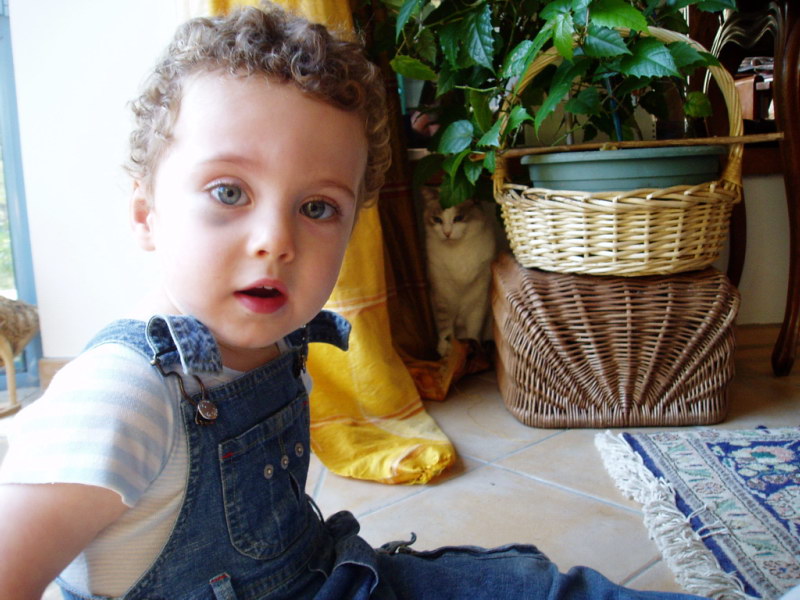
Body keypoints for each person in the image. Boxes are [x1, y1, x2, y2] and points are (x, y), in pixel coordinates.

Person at [0, 5, 710, 599]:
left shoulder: (278, 342)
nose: (275, 241)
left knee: (534, 588)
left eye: (317, 207)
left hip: (331, 579)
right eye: (229, 192)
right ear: (146, 214)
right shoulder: (122, 396)